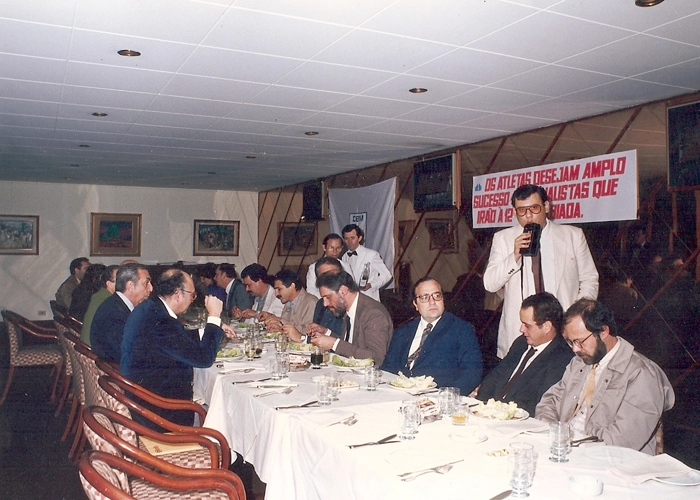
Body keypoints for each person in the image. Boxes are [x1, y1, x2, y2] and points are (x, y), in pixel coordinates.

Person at [535, 299, 675, 455]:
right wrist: (552, 432)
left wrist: (572, 441)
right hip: (564, 448)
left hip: (606, 460)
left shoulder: (641, 374)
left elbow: (622, 441)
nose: (575, 349)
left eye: (580, 341)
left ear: (603, 331)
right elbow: (550, 401)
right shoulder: (580, 363)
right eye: (570, 342)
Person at [484, 184, 598, 358]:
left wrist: (578, 314)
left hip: (564, 329)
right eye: (521, 210)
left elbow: (589, 278)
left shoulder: (573, 235)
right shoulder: (503, 238)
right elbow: (490, 284)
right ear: (515, 212)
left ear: (546, 206)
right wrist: (514, 256)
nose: (528, 216)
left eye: (534, 208)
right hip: (521, 333)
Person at [121, 269, 233, 429]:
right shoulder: (162, 320)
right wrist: (214, 316)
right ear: (177, 294)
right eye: (192, 295)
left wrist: (212, 329)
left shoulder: (150, 308)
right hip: (162, 415)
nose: (193, 300)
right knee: (223, 420)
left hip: (147, 401)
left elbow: (175, 342)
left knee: (215, 408)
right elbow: (203, 359)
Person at [476, 292, 573, 415]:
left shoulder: (562, 358)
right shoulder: (522, 343)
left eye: (527, 325)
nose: (521, 329)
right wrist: (483, 406)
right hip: (491, 413)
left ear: (547, 326)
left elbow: (540, 402)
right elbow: (495, 375)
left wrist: (502, 414)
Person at [381, 278, 482, 395]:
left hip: (436, 397)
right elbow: (387, 368)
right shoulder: (403, 331)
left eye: (437, 295)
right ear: (415, 304)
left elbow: (472, 372)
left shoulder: (461, 329)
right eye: (424, 297)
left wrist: (446, 396)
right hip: (398, 394)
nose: (432, 302)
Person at [311, 271, 393, 366]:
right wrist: (327, 333)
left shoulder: (373, 313)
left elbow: (376, 358)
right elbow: (351, 344)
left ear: (343, 291)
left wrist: (334, 344)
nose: (325, 304)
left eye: (327, 297)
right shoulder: (350, 307)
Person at [90, 264, 153, 363]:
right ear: (130, 286)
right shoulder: (115, 314)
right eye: (146, 283)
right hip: (118, 374)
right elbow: (127, 356)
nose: (150, 288)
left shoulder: (117, 305)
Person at [260, 270, 317, 340]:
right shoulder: (288, 302)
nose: (276, 294)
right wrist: (277, 327)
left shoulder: (310, 302)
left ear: (292, 286)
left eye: (279, 289)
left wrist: (281, 321)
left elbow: (309, 332)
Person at [340, 224, 392, 302]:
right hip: (351, 300)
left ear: (359, 238)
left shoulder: (372, 255)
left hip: (369, 300)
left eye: (352, 238)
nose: (349, 242)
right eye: (346, 239)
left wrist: (371, 285)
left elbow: (387, 275)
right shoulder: (344, 256)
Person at [80, 265, 118, 345]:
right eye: (121, 281)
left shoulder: (100, 295)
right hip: (95, 354)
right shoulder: (107, 302)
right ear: (109, 284)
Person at [305, 233, 351, 298]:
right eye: (331, 248)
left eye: (338, 248)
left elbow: (351, 287)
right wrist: (330, 297)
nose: (335, 251)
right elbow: (310, 290)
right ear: (324, 247)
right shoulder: (314, 267)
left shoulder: (346, 266)